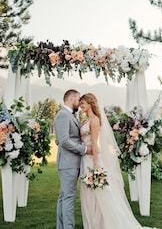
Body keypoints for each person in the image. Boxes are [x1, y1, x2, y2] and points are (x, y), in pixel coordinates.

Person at [79, 93, 152, 229]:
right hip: (85, 159)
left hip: (92, 159)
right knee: (90, 194)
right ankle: (95, 223)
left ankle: (106, 224)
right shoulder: (85, 120)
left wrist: (95, 164)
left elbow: (95, 143)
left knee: (99, 194)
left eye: (83, 102)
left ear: (90, 103)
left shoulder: (94, 120)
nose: (80, 105)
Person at [54, 89, 92, 229]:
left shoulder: (69, 115)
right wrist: (85, 149)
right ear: (71, 99)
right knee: (68, 198)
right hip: (68, 163)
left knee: (64, 197)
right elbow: (64, 141)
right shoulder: (64, 115)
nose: (79, 103)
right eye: (78, 100)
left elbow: (65, 138)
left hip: (69, 162)